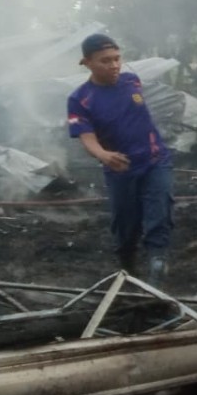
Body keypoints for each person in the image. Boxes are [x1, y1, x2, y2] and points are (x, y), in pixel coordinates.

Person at [67, 33, 173, 282]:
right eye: (105, 61)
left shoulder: (132, 81)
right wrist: (102, 154)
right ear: (87, 63)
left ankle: (158, 266)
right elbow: (85, 135)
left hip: (155, 159)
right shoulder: (79, 99)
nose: (114, 65)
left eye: (117, 59)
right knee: (126, 221)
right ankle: (127, 261)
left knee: (159, 210)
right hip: (120, 166)